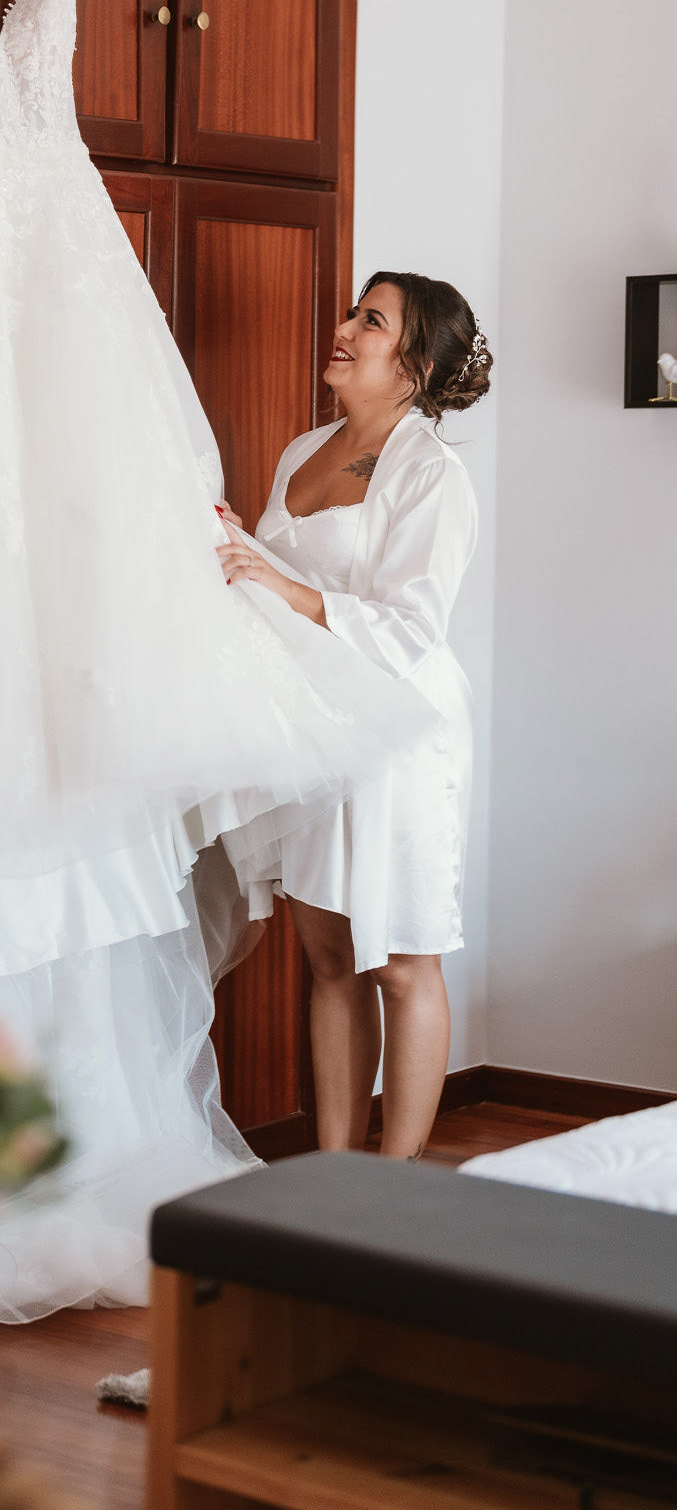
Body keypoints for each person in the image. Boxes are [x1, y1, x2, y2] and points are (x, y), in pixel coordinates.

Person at [216, 272, 490, 1160]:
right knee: (329, 958)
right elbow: (278, 584)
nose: (343, 328)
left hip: (400, 731)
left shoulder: (432, 474)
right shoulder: (303, 450)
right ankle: (336, 1175)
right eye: (351, 313)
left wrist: (280, 584)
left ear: (415, 365)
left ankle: (395, 1185)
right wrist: (233, 542)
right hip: (312, 727)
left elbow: (410, 625)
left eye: (370, 321)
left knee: (401, 963)